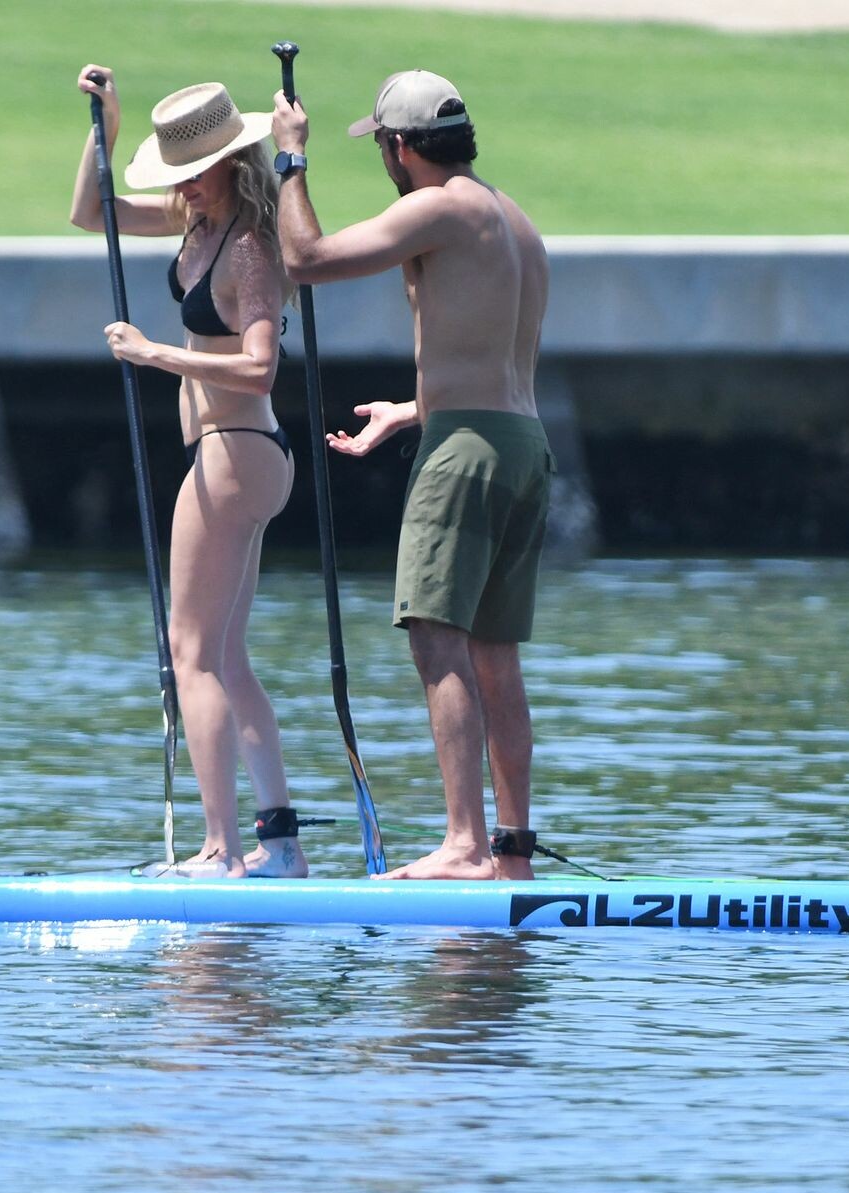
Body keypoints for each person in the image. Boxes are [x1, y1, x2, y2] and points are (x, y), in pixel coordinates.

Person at [270, 71, 552, 881]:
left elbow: (306, 258)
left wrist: (291, 159)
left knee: (436, 635)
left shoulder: (437, 207)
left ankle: (463, 843)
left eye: (382, 149)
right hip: (521, 442)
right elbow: (487, 353)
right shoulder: (512, 217)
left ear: (399, 147)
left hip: (465, 452)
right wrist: (411, 409)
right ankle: (511, 853)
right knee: (495, 652)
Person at [71, 67, 305, 878]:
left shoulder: (249, 248)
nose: (185, 187)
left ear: (233, 164)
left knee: (190, 653)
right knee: (226, 658)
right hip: (236, 454)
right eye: (178, 174)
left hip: (236, 450)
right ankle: (281, 845)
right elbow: (92, 212)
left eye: (197, 172)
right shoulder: (193, 221)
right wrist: (105, 124)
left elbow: (261, 368)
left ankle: (220, 850)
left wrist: (153, 354)